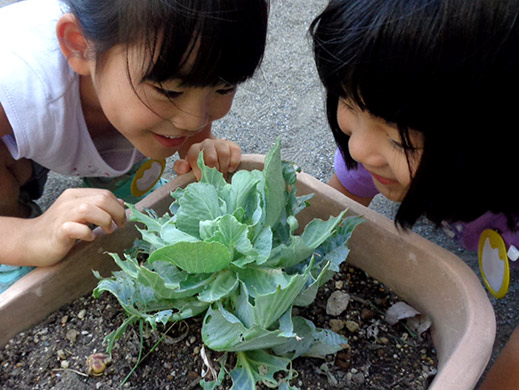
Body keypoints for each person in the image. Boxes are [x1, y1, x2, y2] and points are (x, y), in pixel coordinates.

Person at [309, 0, 519, 388]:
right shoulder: (372, 148)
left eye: (399, 139)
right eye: (351, 102)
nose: (358, 149)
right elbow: (331, 219)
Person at [0, 0, 268, 290]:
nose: (194, 120)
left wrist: (202, 149)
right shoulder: (18, 88)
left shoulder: (166, 90)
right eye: (170, 90)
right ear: (79, 45)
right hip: (22, 139)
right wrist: (28, 236)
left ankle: (123, 183)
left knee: (156, 128)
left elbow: (194, 107)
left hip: (93, 121)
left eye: (224, 88)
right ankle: (15, 227)